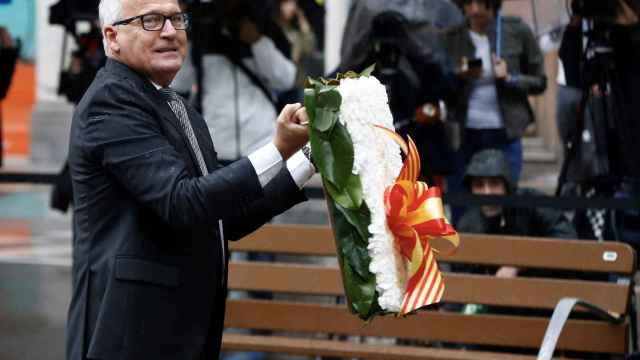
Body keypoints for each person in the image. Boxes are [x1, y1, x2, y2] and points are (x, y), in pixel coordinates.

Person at [65, 1, 314, 360]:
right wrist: (278, 147)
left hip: (180, 331)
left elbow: (220, 218)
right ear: (112, 36)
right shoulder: (111, 100)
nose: (169, 31)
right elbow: (183, 202)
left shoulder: (177, 107)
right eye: (150, 20)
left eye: (176, 18)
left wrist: (307, 158)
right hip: (131, 334)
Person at [442, 0, 547, 221]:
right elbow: (438, 84)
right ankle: (465, 250)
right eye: (469, 3)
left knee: (506, 201)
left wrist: (511, 78)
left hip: (504, 132)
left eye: (481, 3)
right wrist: (458, 76)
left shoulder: (515, 30)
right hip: (464, 133)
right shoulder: (451, 38)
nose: (475, 10)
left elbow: (540, 82)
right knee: (461, 202)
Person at [456, 149, 577, 279]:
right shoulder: (468, 223)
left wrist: (518, 263)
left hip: (548, 287)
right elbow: (463, 272)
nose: (487, 192)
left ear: (506, 185)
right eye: (479, 185)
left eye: (494, 184)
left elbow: (566, 240)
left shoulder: (531, 203)